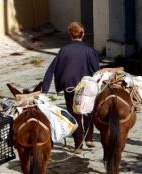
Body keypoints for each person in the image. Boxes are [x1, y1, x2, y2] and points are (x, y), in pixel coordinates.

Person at [42, 22, 100, 154]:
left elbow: (50, 70)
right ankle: (89, 138)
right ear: (83, 34)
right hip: (87, 89)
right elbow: (96, 71)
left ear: (70, 35)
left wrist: (44, 90)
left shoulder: (63, 51)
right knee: (89, 112)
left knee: (74, 116)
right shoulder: (88, 50)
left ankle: (78, 145)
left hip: (70, 89)